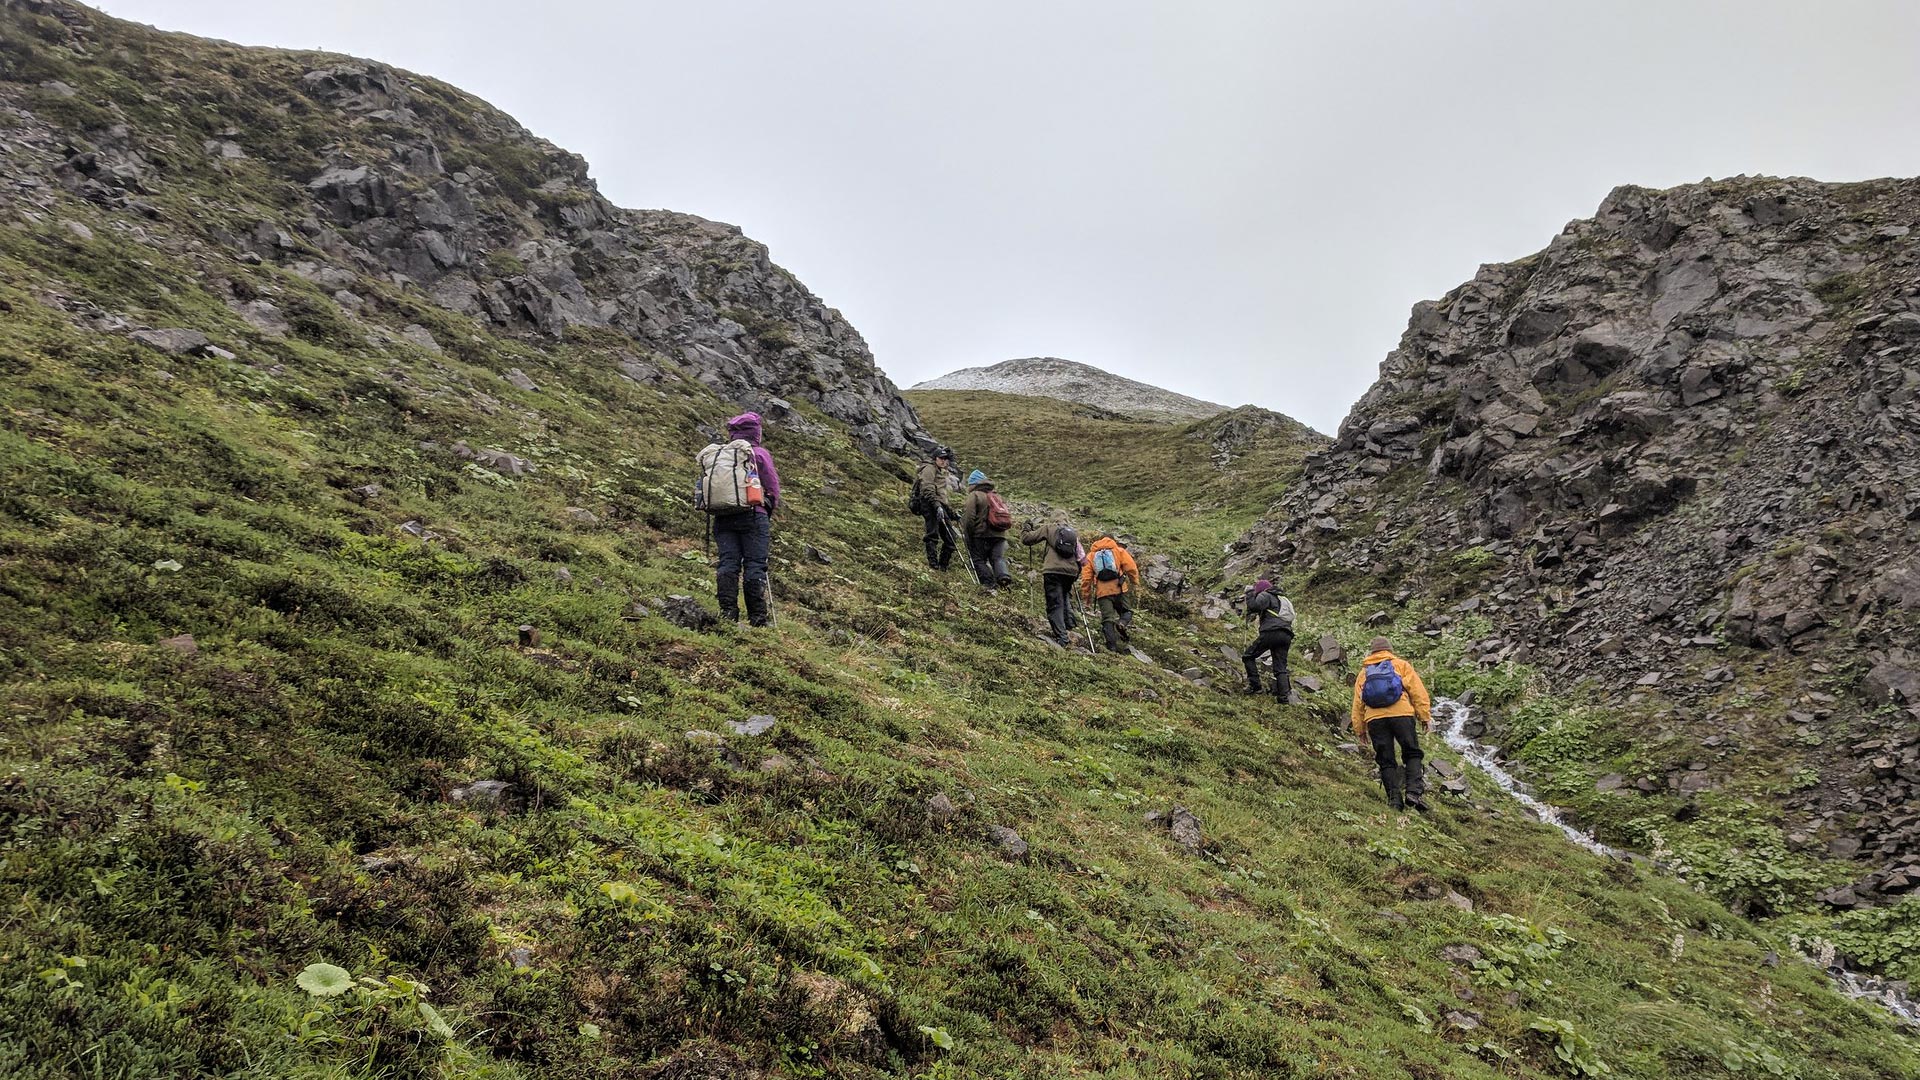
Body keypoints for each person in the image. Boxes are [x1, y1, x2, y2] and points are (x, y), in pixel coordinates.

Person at [1350, 636, 1433, 811]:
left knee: (1386, 760)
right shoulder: (1401, 665)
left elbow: (1358, 704)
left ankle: (1394, 801)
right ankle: (1413, 791)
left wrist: (1360, 730)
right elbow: (1418, 692)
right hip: (1401, 714)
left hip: (1374, 719)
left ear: (1372, 652)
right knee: (1412, 753)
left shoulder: (1364, 673)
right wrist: (1424, 717)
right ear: (1390, 650)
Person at [713, 412, 780, 626]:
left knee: (728, 563)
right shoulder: (758, 454)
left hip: (723, 516)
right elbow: (772, 487)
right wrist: (767, 509)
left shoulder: (722, 455)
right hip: (753, 515)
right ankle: (758, 619)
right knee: (755, 565)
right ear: (756, 431)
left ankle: (727, 615)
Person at [1020, 517, 1083, 646]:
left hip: (1053, 570)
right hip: (1071, 571)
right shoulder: (1073, 533)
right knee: (1064, 597)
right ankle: (1069, 626)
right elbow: (1081, 556)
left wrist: (1026, 528)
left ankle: (1062, 637)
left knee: (1054, 603)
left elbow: (1027, 539)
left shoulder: (1049, 528)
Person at [1078, 533, 1140, 653]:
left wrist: (1087, 598)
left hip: (1103, 592)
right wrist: (1135, 582)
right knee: (1127, 611)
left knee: (1107, 619)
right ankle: (1122, 622)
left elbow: (1086, 579)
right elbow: (1131, 567)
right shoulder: (1118, 551)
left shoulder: (1091, 555)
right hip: (1120, 588)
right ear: (1112, 540)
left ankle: (1111, 647)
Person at [1241, 578, 1295, 702]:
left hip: (1271, 632)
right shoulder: (1280, 599)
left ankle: (1255, 687)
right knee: (1280, 667)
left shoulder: (1265, 595)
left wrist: (1249, 593)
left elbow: (1254, 606)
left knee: (1248, 656)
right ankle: (1283, 698)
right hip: (1286, 634)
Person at [959, 469, 1012, 589]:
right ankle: (1003, 576)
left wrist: (968, 534)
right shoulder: (996, 495)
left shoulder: (975, 495)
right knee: (997, 558)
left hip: (981, 534)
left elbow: (969, 517)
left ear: (974, 484)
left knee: (978, 559)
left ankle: (989, 584)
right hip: (1000, 534)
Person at [912, 446, 957, 570]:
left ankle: (943, 566)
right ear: (935, 458)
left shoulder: (938, 470)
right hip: (929, 504)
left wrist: (951, 513)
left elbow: (941, 495)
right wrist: (937, 505)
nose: (944, 461)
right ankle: (933, 564)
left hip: (938, 505)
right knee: (932, 534)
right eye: (941, 458)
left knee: (951, 537)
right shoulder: (929, 468)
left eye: (945, 459)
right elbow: (927, 488)